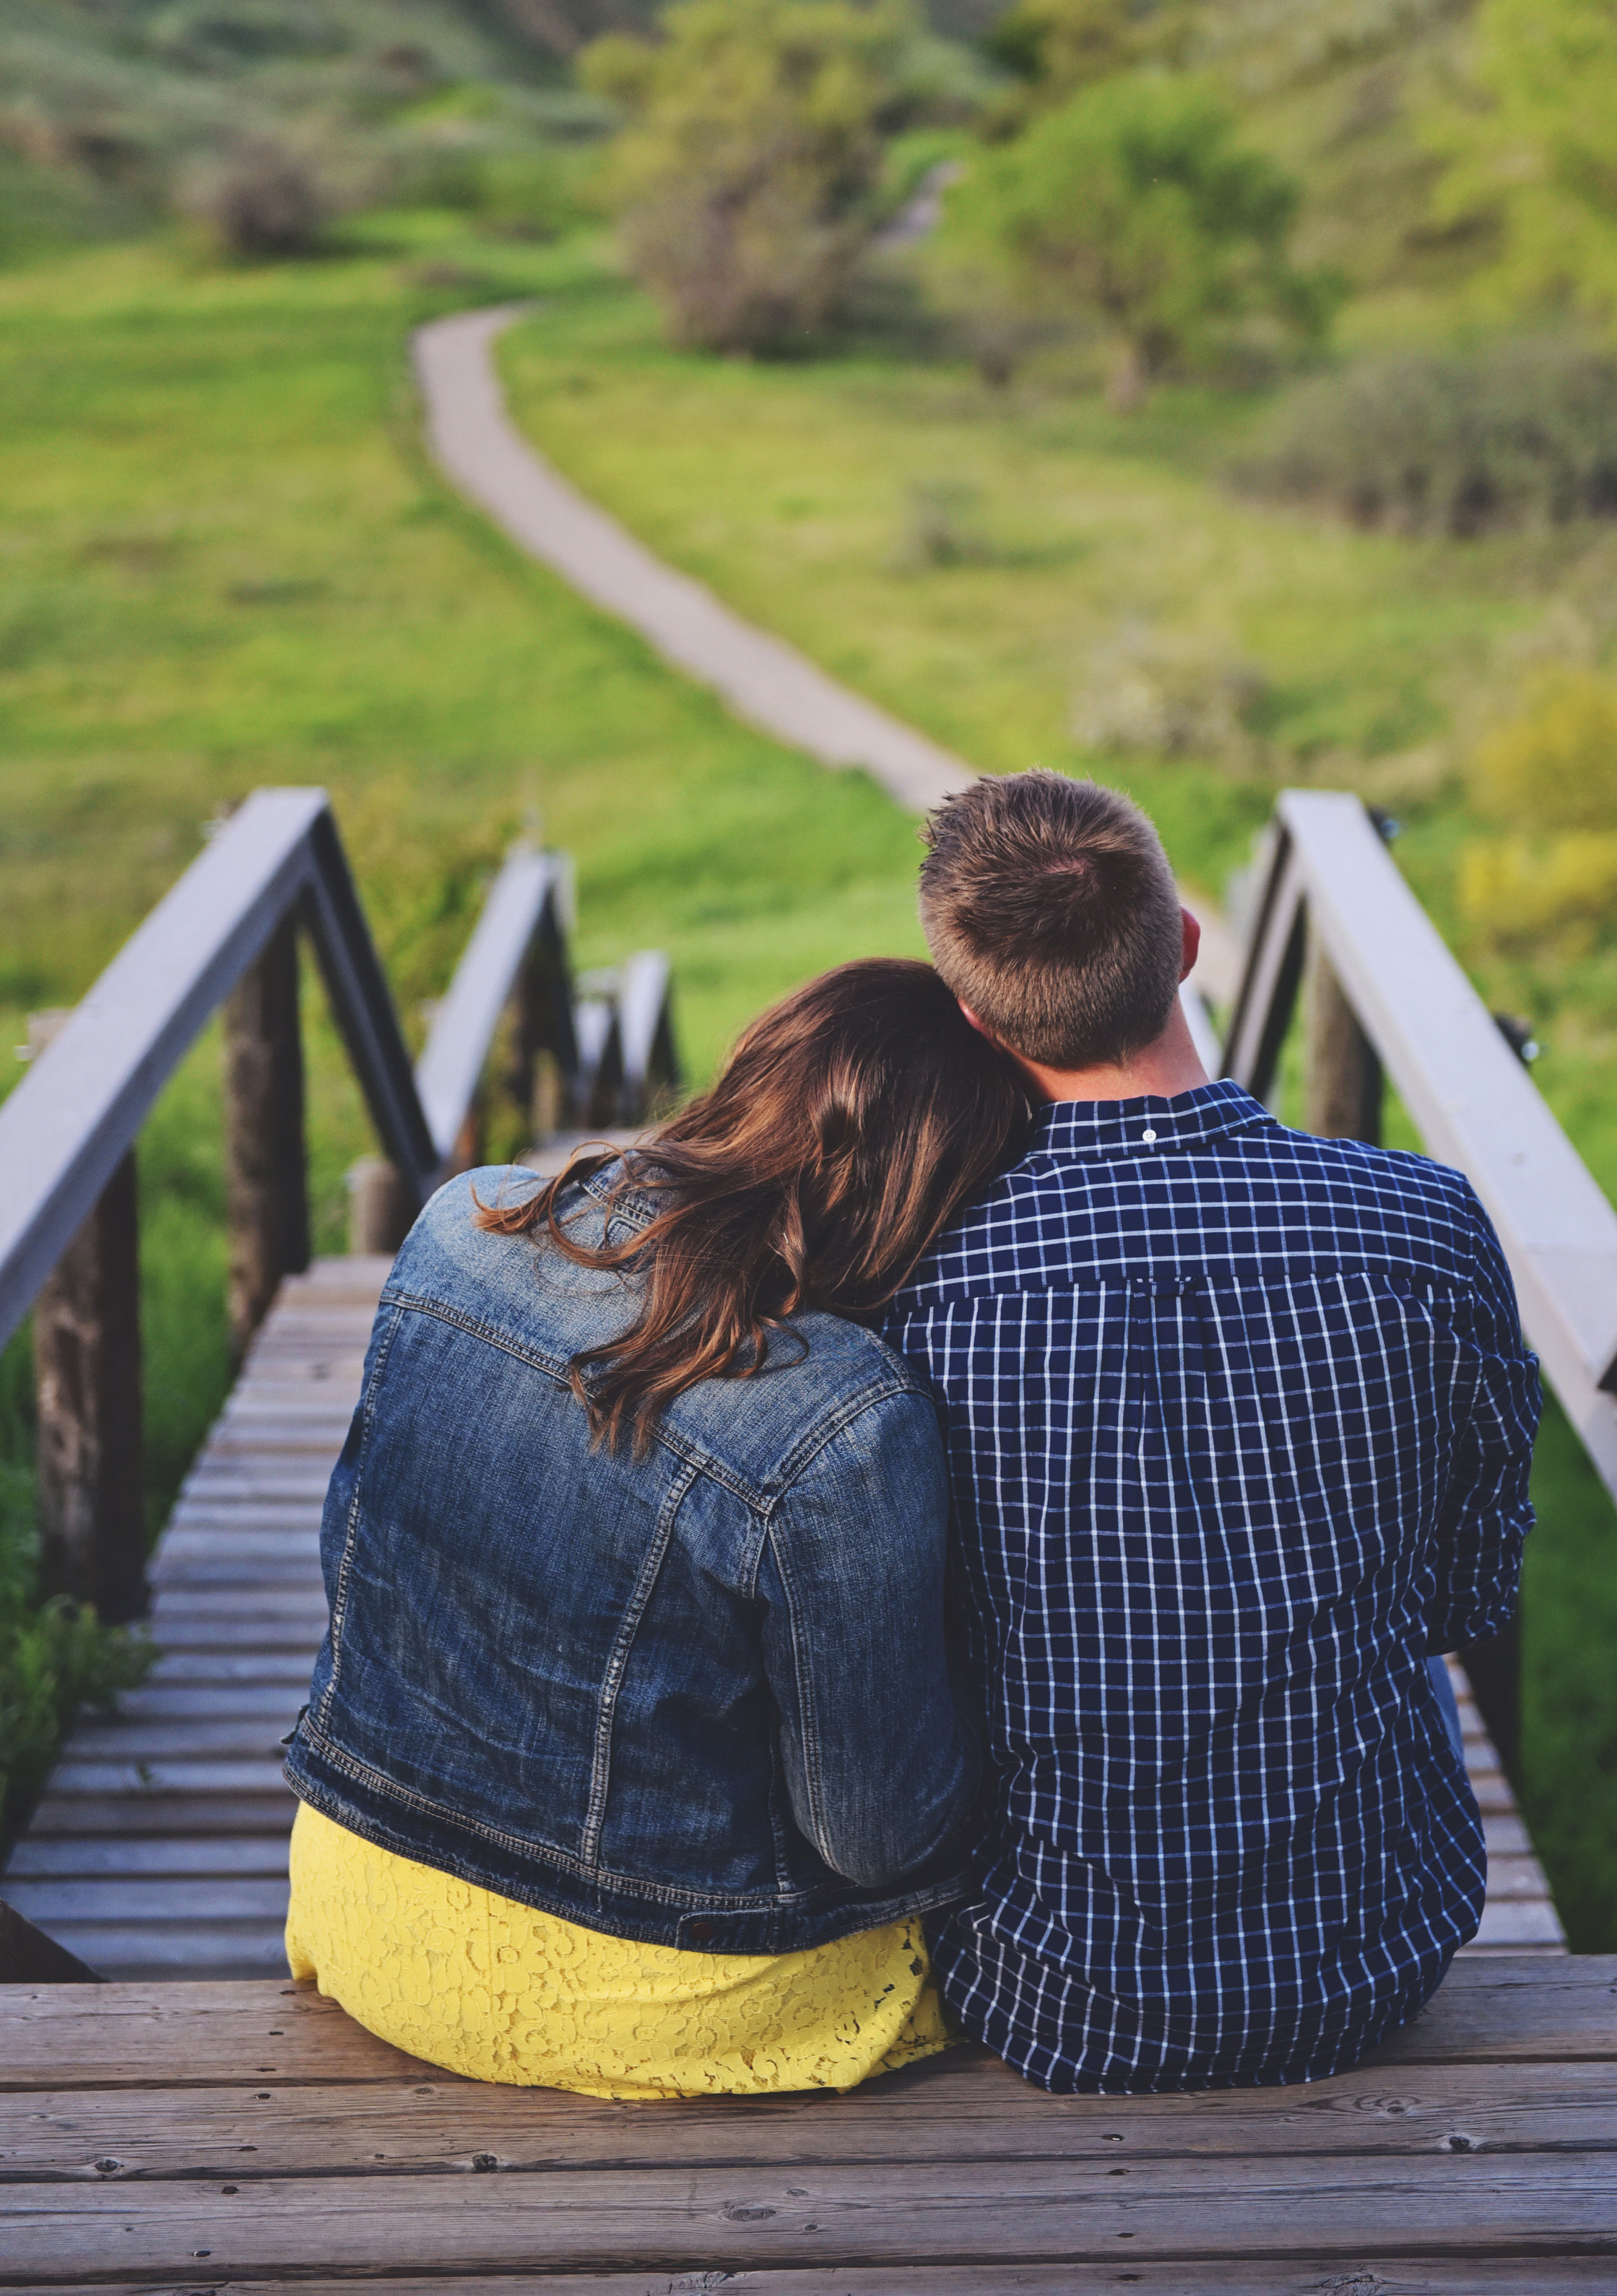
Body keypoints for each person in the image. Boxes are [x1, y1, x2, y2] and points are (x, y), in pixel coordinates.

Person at [883, 771, 1541, 2094]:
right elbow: (1469, 1591)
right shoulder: (1422, 1224)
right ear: (1185, 948)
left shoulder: (917, 1284)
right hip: (1372, 1955)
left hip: (1048, 1981)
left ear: (972, 1014)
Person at [285, 960, 1026, 2100]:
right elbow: (878, 1835)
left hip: (363, 1906)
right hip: (672, 1990)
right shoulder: (842, 1422)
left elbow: (354, 1561)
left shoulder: (455, 1228)